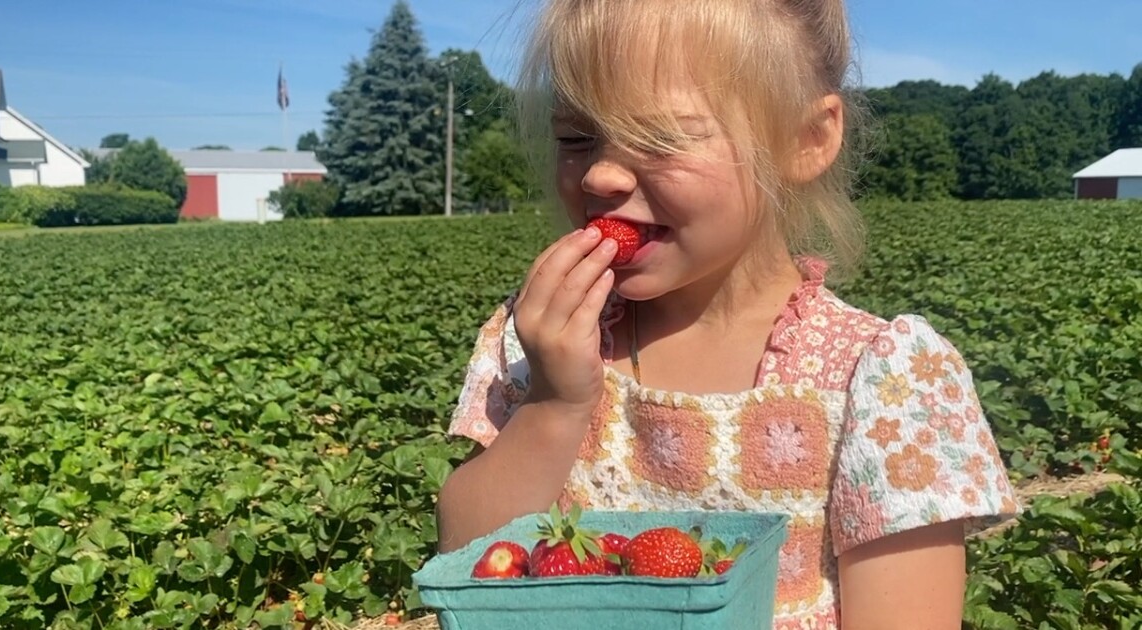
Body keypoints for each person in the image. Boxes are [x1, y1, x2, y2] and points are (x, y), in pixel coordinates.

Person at [436, 0, 1020, 627]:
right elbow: (469, 566)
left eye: (659, 138)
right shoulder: (537, 344)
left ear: (806, 140)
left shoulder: (883, 381)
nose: (602, 175)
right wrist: (553, 403)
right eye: (576, 138)